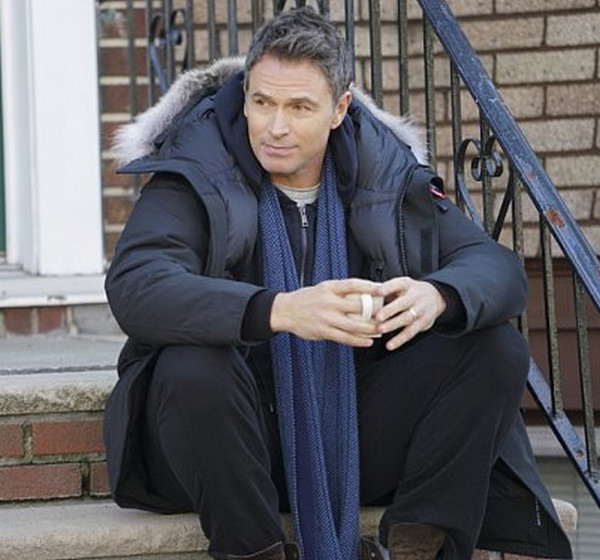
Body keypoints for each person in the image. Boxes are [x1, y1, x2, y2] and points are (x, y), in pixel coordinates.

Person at [103, 7, 572, 560]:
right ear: (245, 95)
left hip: (348, 431)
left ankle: (418, 543)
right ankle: (254, 551)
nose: (275, 127)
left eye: (299, 107)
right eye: (262, 103)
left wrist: (437, 295)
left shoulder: (383, 175)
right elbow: (138, 284)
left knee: (495, 347)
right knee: (192, 364)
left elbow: (496, 268)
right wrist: (278, 310)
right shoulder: (196, 169)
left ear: (339, 109)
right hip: (223, 443)